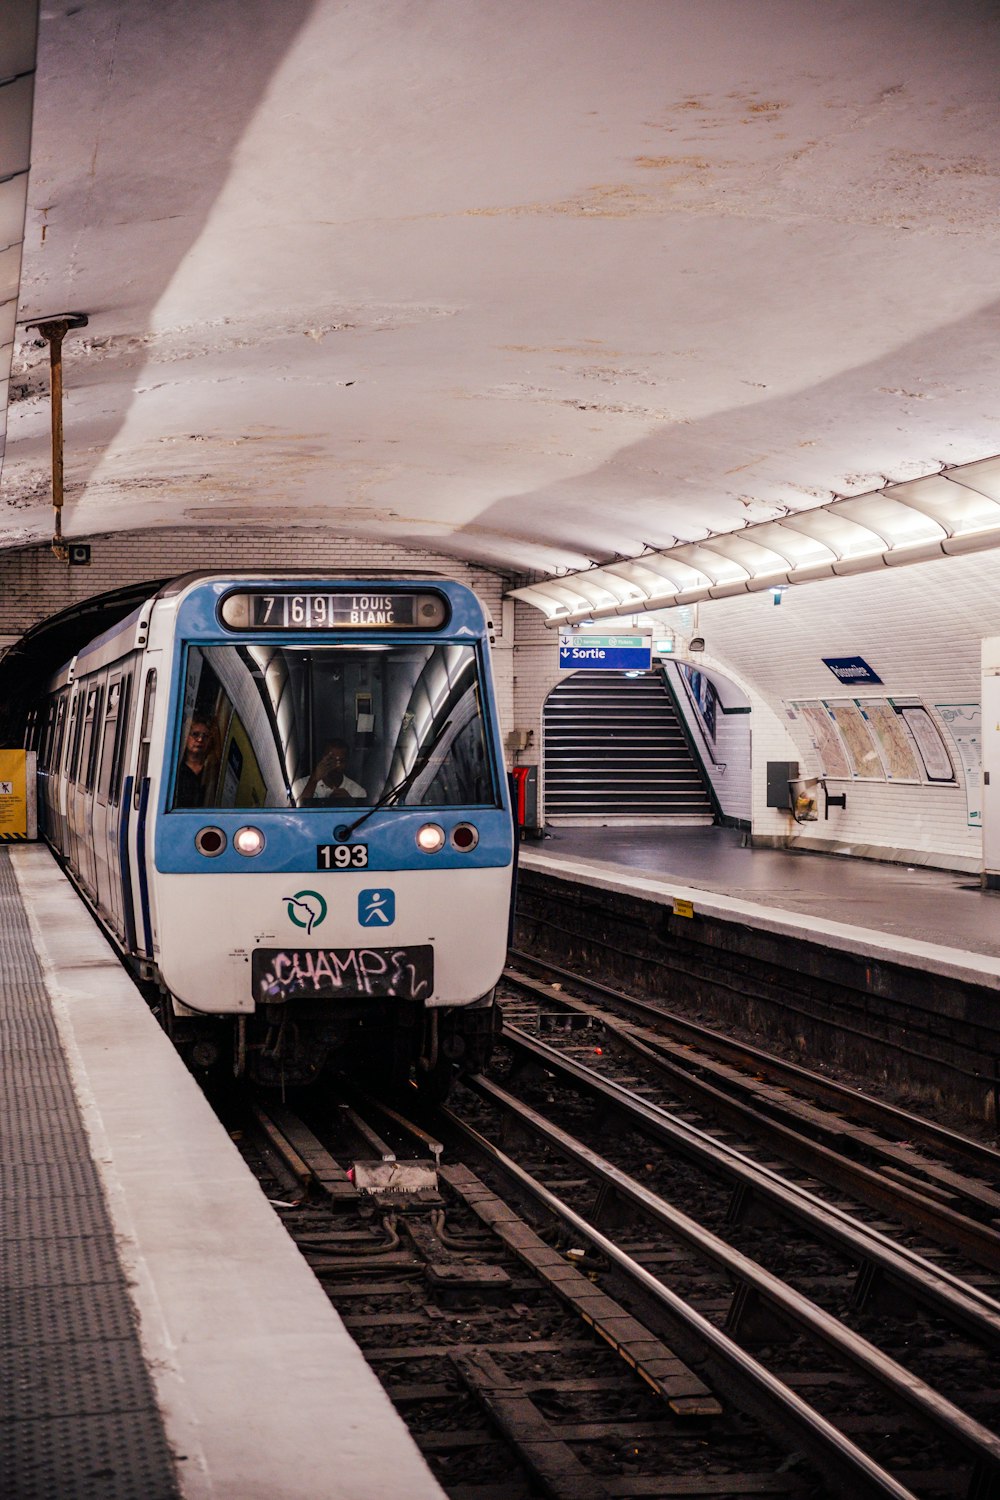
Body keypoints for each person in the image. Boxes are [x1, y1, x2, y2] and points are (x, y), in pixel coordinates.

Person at [298, 738, 366, 805]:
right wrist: (313, 780)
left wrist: (349, 802)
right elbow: (297, 811)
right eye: (330, 760)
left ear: (347, 762)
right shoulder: (301, 785)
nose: (336, 765)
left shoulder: (357, 792)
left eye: (340, 761)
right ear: (322, 760)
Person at [174, 714, 217, 807]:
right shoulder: (176, 769)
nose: (200, 739)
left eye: (205, 736)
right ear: (186, 736)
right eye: (195, 734)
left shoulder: (212, 770)